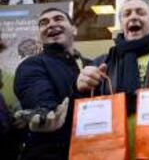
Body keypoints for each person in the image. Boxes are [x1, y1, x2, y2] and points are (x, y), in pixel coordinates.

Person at [76, 0, 149, 158]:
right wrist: (79, 88)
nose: (133, 17)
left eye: (140, 13)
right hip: (111, 152)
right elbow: (84, 109)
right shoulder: (101, 63)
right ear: (122, 25)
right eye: (127, 14)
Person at [14, 8, 91, 160]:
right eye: (44, 23)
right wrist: (44, 112)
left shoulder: (91, 64)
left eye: (58, 19)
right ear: (40, 35)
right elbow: (38, 95)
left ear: (74, 29)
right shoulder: (32, 65)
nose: (51, 24)